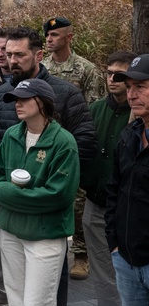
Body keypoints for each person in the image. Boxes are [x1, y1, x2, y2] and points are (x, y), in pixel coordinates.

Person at [0, 27, 95, 306]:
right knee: (15, 279)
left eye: (19, 55)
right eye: (8, 54)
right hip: (7, 205)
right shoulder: (2, 95)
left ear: (38, 55)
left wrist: (55, 183)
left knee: (49, 280)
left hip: (46, 207)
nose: (11, 61)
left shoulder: (65, 93)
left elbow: (83, 142)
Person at [0, 78, 80, 306]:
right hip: (12, 233)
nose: (17, 103)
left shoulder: (63, 142)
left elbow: (58, 196)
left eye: (25, 98)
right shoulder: (12, 136)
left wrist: (11, 196)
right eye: (16, 98)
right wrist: (15, 195)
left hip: (45, 238)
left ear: (43, 102)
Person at [82, 51, 135, 306]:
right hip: (96, 201)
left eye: (120, 74)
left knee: (129, 274)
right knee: (102, 272)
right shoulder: (94, 110)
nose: (112, 79)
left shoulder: (139, 112)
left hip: (128, 208)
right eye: (109, 72)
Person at [43, 16, 103, 280]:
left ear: (69, 37)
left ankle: (81, 254)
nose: (49, 39)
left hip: (73, 145)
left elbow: (93, 112)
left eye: (55, 35)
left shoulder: (86, 70)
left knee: (78, 202)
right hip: (44, 146)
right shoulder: (41, 68)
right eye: (47, 35)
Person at [106, 54, 149, 306]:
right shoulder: (130, 135)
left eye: (141, 87)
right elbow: (114, 191)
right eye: (130, 87)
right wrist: (115, 244)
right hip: (127, 259)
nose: (132, 94)